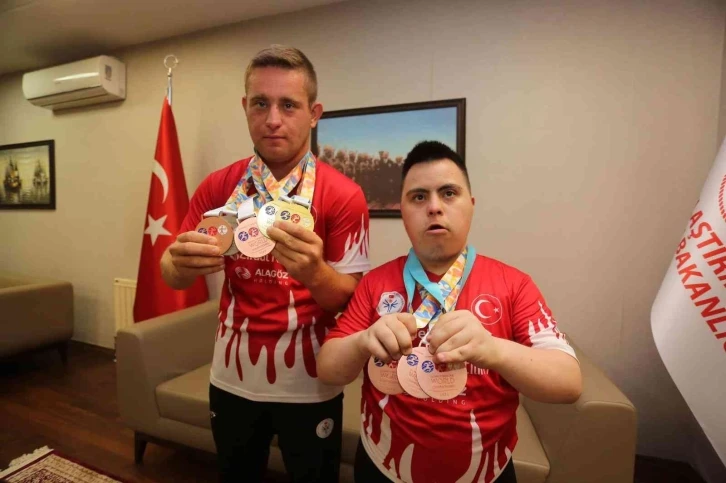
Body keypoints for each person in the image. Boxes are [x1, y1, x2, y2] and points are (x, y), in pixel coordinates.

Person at [161, 45, 370, 483]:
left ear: (313, 114)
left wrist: (315, 273)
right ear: (245, 108)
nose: (273, 119)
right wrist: (180, 266)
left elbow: (351, 303)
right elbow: (171, 271)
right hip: (231, 376)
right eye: (261, 103)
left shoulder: (344, 195)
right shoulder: (218, 186)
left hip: (311, 382)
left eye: (288, 105)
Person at [318, 141, 582, 483]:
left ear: (470, 205)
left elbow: (569, 383)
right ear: (402, 210)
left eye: (448, 193)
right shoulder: (374, 283)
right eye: (418, 197)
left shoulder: (514, 284)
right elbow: (328, 369)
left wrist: (494, 350)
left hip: (486, 472)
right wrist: (363, 341)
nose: (434, 207)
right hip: (382, 465)